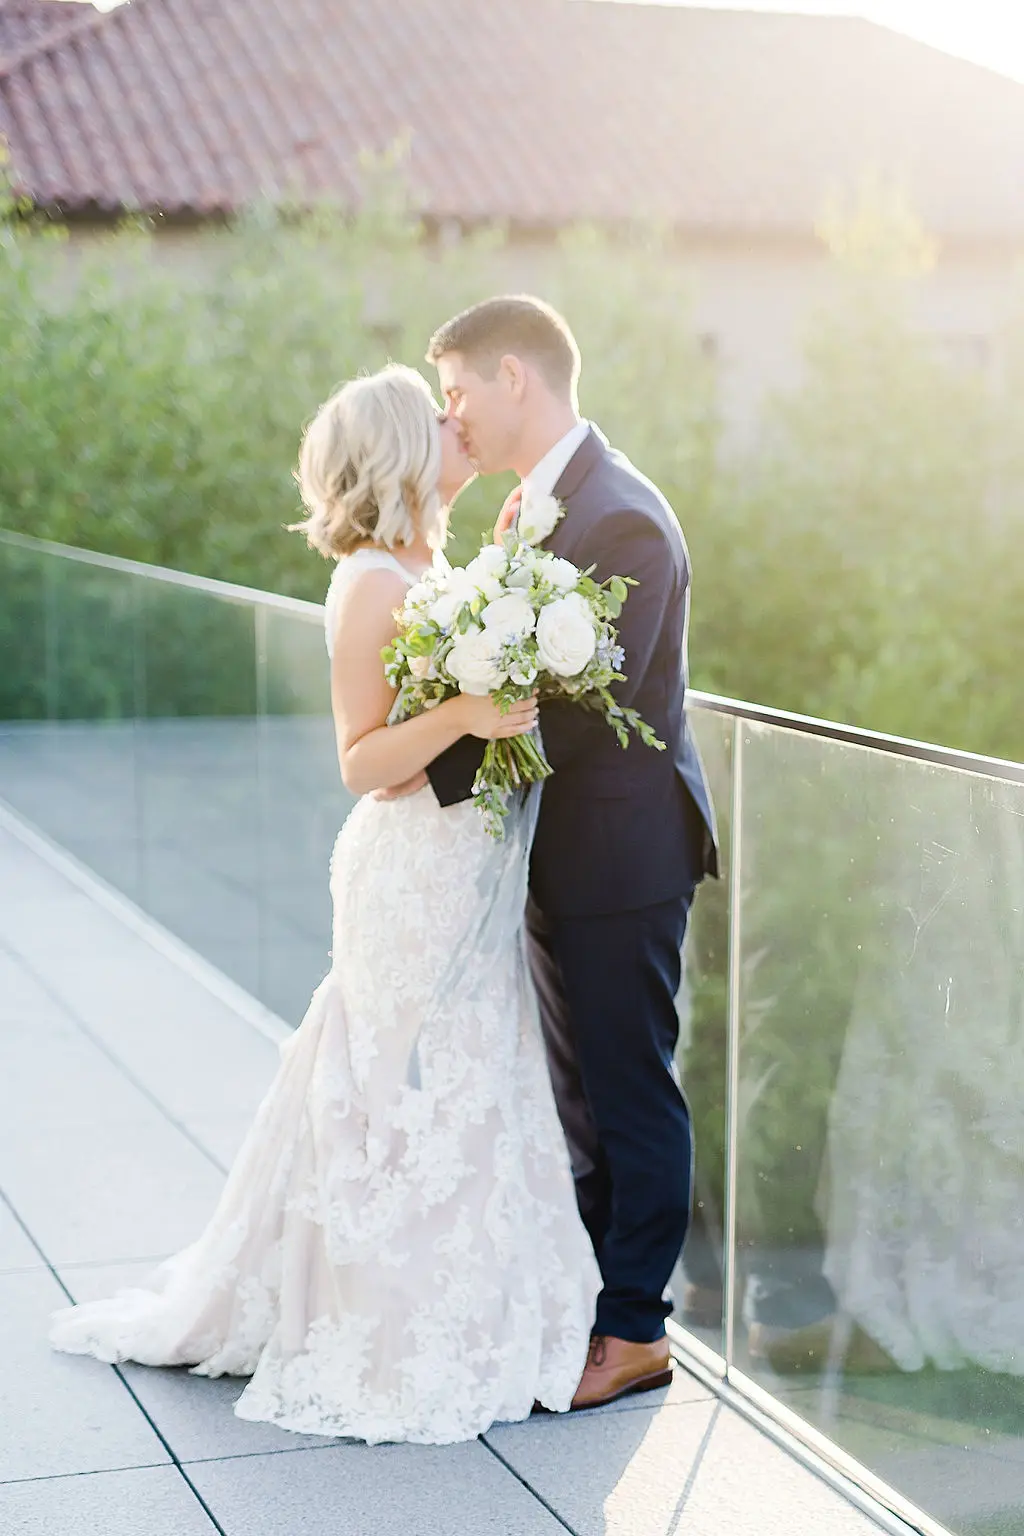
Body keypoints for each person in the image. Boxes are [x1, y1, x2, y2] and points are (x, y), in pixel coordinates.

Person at [49, 364, 600, 1445]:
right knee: (390, 1081)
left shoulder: (426, 565)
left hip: (462, 862)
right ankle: (383, 1323)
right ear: (401, 449)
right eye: (437, 420)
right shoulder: (372, 584)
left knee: (471, 1060)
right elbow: (363, 761)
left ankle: (484, 1301)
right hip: (408, 870)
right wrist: (473, 715)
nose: (458, 427)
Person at [422, 296, 719, 1408]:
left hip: (620, 858)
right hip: (561, 855)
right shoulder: (537, 511)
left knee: (630, 1084)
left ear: (514, 377)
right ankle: (593, 1299)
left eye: (456, 390)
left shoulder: (621, 518)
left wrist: (428, 772)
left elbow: (592, 714)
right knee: (580, 1089)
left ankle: (637, 1328)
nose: (452, 415)